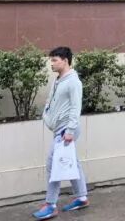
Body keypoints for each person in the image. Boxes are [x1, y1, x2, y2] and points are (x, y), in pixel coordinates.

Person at [33, 47, 89, 219]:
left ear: (65, 61)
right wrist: (46, 114)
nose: (52, 63)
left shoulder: (73, 82)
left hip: (66, 130)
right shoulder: (58, 80)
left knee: (53, 164)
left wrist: (70, 130)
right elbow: (51, 101)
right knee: (72, 163)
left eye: (54, 60)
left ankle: (50, 204)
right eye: (51, 60)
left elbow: (76, 108)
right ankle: (82, 197)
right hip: (59, 129)